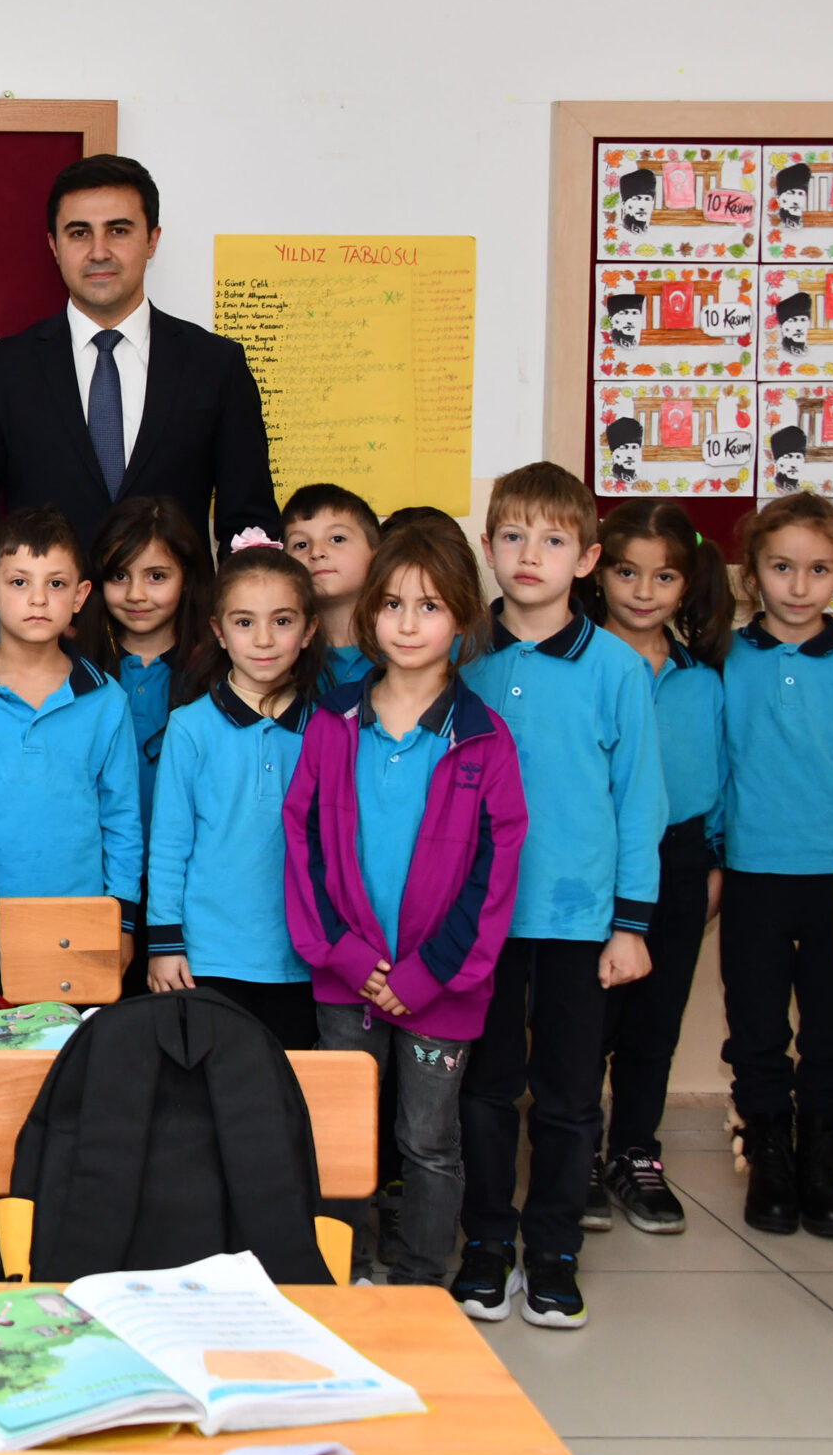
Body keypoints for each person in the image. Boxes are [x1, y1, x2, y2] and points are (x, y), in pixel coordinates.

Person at [453, 463, 665, 1331]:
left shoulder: (616, 667)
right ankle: (487, 1243)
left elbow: (640, 798)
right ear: (489, 547)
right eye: (513, 536)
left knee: (571, 1094)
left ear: (586, 558)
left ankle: (553, 1251)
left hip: (580, 919)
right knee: (485, 1087)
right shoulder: (460, 652)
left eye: (551, 539)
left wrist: (631, 923)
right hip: (479, 920)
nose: (529, 554)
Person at [285, 521, 524, 1289]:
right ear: (369, 615)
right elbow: (304, 843)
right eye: (392, 604)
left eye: (430, 606)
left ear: (462, 618)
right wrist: (349, 956)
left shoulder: (485, 739)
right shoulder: (332, 722)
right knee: (343, 1133)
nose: (409, 623)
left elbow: (494, 873)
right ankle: (345, 1269)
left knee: (428, 1140)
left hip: (441, 987)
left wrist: (426, 974)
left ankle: (421, 1277)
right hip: (345, 978)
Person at [0, 153, 279, 632]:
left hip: (183, 653)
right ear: (54, 246)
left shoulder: (216, 366)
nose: (99, 251)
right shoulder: (1, 370)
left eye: (118, 230)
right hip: (43, 654)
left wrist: (231, 635)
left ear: (152, 240)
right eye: (79, 233)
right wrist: (21, 628)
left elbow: (249, 523)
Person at [720, 493, 833, 1241]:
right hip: (755, 871)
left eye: (819, 569)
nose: (799, 586)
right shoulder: (726, 659)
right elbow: (717, 766)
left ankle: (823, 1153)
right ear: (752, 573)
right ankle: (767, 1149)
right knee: (757, 1020)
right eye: (781, 567)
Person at [577, 500, 731, 1237]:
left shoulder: (703, 680)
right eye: (627, 572)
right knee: (584, 1020)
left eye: (663, 576)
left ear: (687, 583)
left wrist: (715, 863)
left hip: (680, 857)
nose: (643, 591)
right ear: (597, 572)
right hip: (592, 857)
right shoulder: (581, 664)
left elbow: (722, 777)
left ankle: (635, 1150)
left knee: (655, 1020)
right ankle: (576, 1150)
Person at [143, 543, 325, 1048]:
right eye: (244, 622)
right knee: (214, 1087)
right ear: (219, 631)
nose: (263, 639)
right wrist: (165, 944)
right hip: (207, 958)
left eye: (282, 621)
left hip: (303, 959)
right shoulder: (189, 727)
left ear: (309, 629)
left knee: (291, 1086)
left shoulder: (329, 729)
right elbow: (170, 845)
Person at [0, 507, 141, 908]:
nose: (39, 599)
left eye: (56, 583)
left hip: (79, 914)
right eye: (19, 582)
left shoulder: (107, 701)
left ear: (80, 596)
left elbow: (122, 818)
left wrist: (121, 916)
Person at [88, 495, 213, 994]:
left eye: (157, 576)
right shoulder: (75, 672)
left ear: (188, 578)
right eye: (120, 575)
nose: (137, 594)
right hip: (97, 888)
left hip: (187, 895)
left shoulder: (217, 678)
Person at [282, 483, 380, 690]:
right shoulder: (278, 653)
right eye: (301, 545)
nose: (316, 552)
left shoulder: (406, 644)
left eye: (337, 539)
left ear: (376, 552)